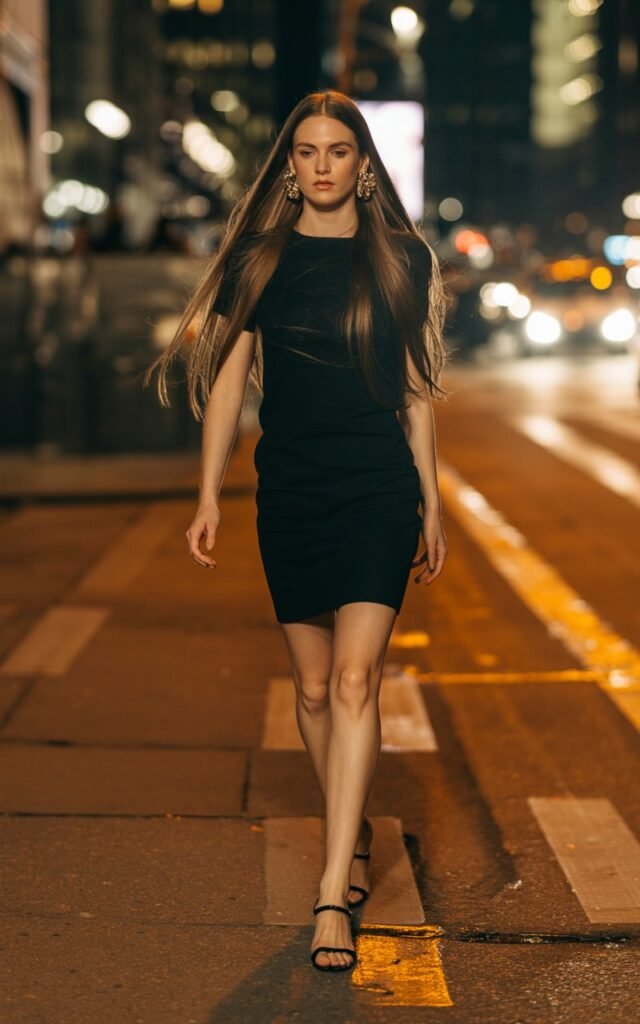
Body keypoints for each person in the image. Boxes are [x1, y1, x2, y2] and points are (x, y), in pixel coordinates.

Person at [144, 89, 449, 973]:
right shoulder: (259, 260)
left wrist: (432, 501)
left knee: (357, 680)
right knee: (312, 693)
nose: (322, 165)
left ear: (363, 165)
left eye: (339, 151)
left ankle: (330, 890)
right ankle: (348, 830)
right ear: (290, 168)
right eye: (307, 152)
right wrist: (208, 494)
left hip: (376, 490)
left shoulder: (401, 258)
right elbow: (231, 382)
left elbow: (417, 389)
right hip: (293, 491)